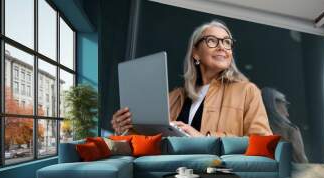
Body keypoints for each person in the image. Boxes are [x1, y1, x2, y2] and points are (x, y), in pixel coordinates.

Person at [112, 20, 272, 137]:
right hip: (173, 172)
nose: (222, 47)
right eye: (212, 41)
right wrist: (125, 129)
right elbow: (151, 140)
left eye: (227, 42)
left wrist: (205, 140)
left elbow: (263, 143)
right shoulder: (173, 97)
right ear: (195, 53)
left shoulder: (247, 91)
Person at [261, 87, 308, 163]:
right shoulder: (291, 130)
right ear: (274, 104)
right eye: (285, 104)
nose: (287, 112)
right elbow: (301, 158)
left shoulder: (254, 129)